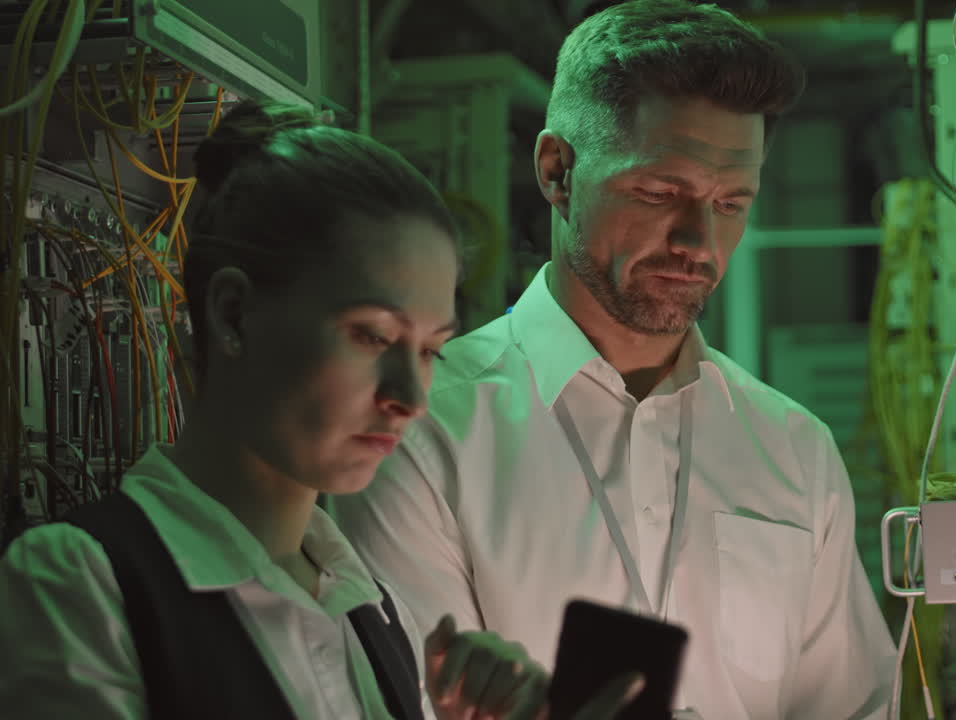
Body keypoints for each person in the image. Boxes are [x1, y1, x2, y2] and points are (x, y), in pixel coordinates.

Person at [329, 0, 898, 717]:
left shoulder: (794, 450)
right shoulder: (421, 428)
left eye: (731, 203)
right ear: (558, 171)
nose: (699, 239)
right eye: (661, 191)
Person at [0, 101, 640, 720]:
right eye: (371, 336)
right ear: (233, 315)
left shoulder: (368, 604)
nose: (410, 399)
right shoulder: (80, 584)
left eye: (429, 351)